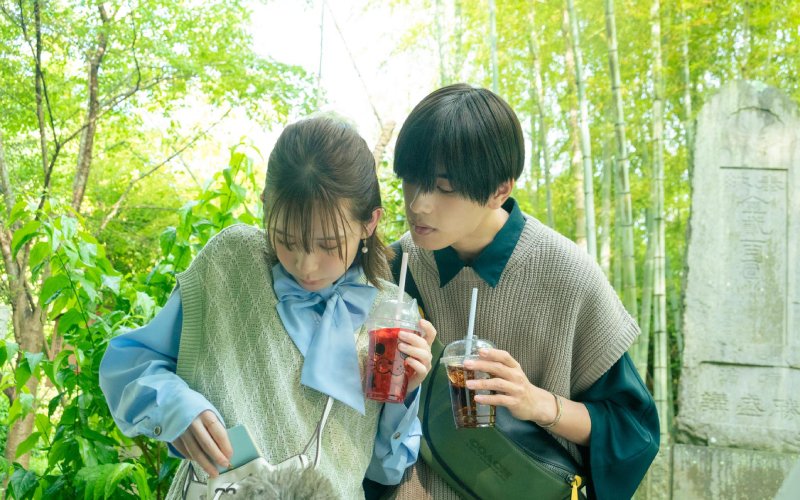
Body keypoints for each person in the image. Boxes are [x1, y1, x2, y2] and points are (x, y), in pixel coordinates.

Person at [99, 116, 437, 499]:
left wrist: (404, 395)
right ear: (265, 205)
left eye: (328, 245)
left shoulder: (391, 315)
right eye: (286, 240)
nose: (306, 265)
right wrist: (177, 408)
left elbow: (386, 469)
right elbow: (129, 367)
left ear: (369, 223)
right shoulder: (231, 263)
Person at [387, 84, 659, 500]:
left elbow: (632, 431)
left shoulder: (569, 275)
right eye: (411, 180)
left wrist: (536, 403)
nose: (419, 204)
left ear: (500, 190)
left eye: (444, 187)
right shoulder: (395, 268)